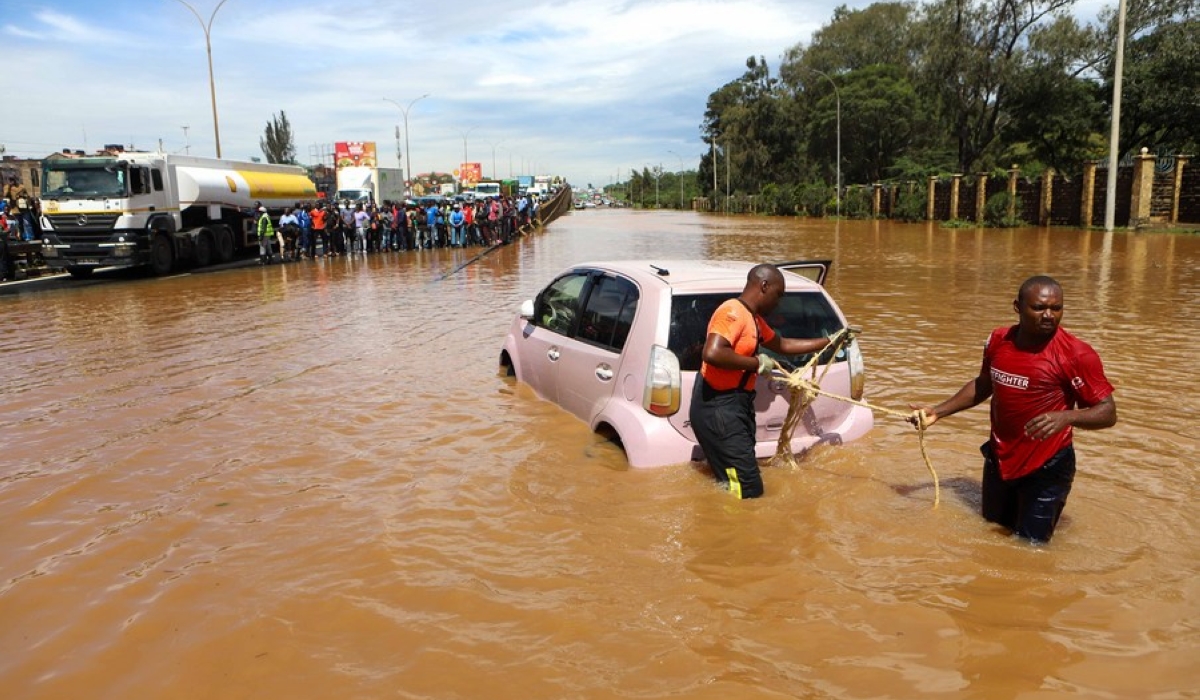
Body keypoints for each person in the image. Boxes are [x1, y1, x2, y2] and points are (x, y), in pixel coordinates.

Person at [908, 275, 1117, 543]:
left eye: (1056, 308)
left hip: (1047, 465)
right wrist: (938, 411)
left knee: (1031, 548)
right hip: (1000, 458)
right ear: (1018, 307)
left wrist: (1068, 416)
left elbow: (1107, 412)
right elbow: (985, 384)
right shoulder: (997, 340)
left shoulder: (1076, 354)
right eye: (1039, 308)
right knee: (991, 533)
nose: (1049, 315)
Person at [689, 263, 833, 499]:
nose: (779, 303)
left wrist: (828, 342)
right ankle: (734, 530)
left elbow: (783, 345)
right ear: (764, 286)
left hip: (735, 406)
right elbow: (712, 353)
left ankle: (724, 520)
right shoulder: (732, 312)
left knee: (732, 479)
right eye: (778, 295)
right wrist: (757, 363)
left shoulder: (753, 320)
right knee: (747, 489)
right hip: (718, 407)